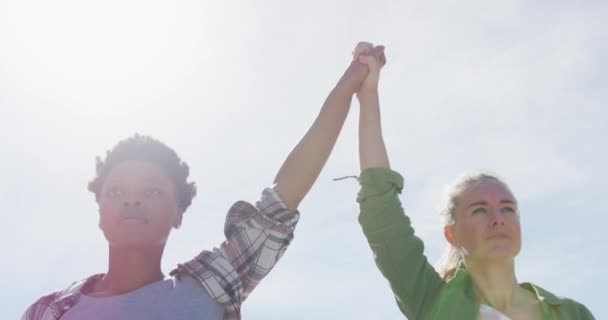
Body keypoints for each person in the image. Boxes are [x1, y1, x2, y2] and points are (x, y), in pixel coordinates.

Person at [21, 46, 385, 320]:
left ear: (179, 211)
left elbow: (285, 194)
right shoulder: (49, 310)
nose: (132, 200)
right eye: (116, 191)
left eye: (151, 190)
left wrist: (351, 82)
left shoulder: (210, 286)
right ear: (99, 211)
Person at [353, 42, 595, 319]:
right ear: (452, 234)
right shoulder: (431, 301)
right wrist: (368, 95)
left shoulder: (573, 313)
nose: (498, 218)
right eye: (479, 209)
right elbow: (380, 210)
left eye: (507, 208)